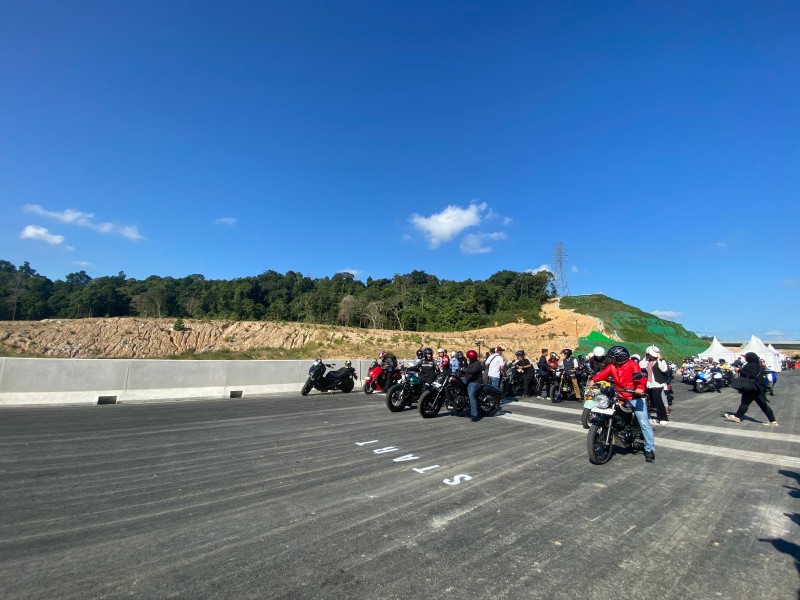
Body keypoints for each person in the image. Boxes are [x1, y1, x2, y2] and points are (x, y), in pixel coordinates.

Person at [592, 345, 655, 463]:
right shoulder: (612, 366)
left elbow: (638, 377)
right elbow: (603, 374)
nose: (610, 360)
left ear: (620, 358)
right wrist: (594, 380)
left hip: (635, 396)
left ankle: (649, 449)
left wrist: (640, 387)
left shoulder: (632, 364)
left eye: (612, 358)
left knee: (644, 423)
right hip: (620, 396)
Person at [724, 352, 779, 426]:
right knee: (763, 405)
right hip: (759, 388)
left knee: (745, 403)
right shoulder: (758, 366)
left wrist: (739, 370)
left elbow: (750, 375)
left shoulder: (750, 365)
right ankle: (773, 421)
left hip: (751, 388)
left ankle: (737, 417)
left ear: (749, 358)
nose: (745, 358)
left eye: (746, 357)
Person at [640, 345, 670, 425]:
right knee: (653, 401)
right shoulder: (648, 361)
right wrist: (645, 357)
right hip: (650, 384)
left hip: (658, 384)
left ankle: (664, 418)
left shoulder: (659, 361)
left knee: (658, 400)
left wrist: (661, 359)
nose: (650, 356)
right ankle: (658, 417)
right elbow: (641, 365)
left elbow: (664, 369)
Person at [462, 349, 484, 422]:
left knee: (471, 395)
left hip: (475, 382)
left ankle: (475, 414)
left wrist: (464, 371)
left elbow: (473, 371)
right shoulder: (471, 363)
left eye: (468, 357)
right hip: (469, 380)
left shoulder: (477, 364)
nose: (467, 359)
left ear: (471, 357)